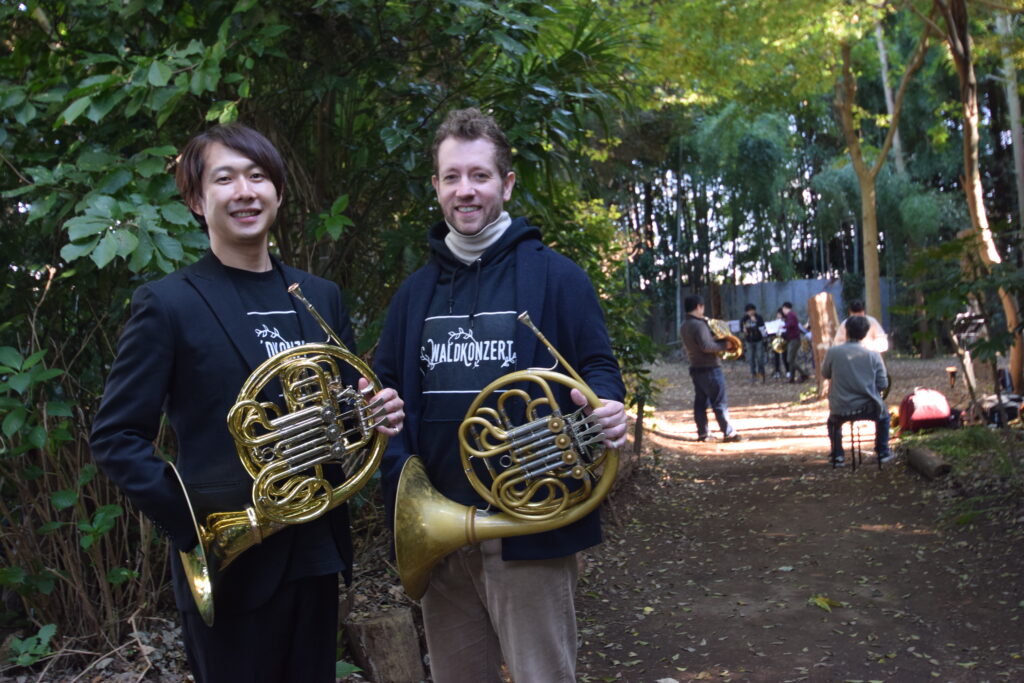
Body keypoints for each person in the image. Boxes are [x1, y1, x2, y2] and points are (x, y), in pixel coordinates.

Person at [89, 123, 405, 683]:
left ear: (278, 193)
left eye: (258, 176)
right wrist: (197, 524)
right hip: (231, 562)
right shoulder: (168, 304)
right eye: (225, 178)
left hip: (315, 553)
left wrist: (371, 417)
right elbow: (116, 437)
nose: (245, 191)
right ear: (196, 200)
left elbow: (339, 415)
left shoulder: (318, 295)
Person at [372, 108, 627, 683]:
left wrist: (606, 407)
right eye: (453, 176)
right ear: (435, 186)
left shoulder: (560, 277)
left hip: (533, 531)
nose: (466, 190)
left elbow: (597, 368)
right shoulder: (413, 294)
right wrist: (405, 494)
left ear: (506, 184)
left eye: (480, 176)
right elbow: (385, 395)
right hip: (440, 534)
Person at [821, 315, 893, 467]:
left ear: (846, 332)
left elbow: (825, 374)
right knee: (885, 417)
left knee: (833, 422)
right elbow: (883, 383)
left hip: (840, 407)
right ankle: (882, 451)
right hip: (868, 407)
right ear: (865, 333)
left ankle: (838, 455)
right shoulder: (874, 355)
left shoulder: (833, 352)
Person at [680, 294, 742, 442]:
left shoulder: (684, 325)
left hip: (695, 367)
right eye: (702, 307)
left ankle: (703, 433)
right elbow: (706, 346)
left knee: (700, 402)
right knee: (719, 401)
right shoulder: (699, 325)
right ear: (698, 307)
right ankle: (728, 432)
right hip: (710, 368)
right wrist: (725, 346)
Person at [781, 301, 809, 383]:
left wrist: (783, 326)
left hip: (794, 340)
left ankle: (804, 374)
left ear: (784, 308)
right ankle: (791, 378)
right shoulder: (791, 315)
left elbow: (791, 324)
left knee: (790, 359)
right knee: (792, 359)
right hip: (792, 339)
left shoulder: (791, 315)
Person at [739, 303, 767, 383]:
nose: (750, 313)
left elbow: (763, 328)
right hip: (749, 340)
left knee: (760, 357)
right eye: (749, 311)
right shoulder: (744, 319)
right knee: (751, 358)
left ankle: (761, 374)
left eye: (752, 311)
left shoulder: (759, 317)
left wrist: (756, 322)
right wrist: (743, 330)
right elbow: (741, 328)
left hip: (758, 340)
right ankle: (753, 374)